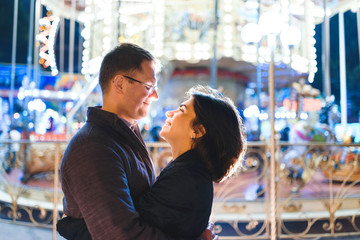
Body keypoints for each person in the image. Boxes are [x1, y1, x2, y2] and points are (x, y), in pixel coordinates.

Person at [57, 43, 216, 240]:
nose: (155, 95)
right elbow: (119, 234)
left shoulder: (122, 136)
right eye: (149, 87)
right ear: (120, 84)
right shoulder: (93, 147)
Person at [136, 85, 247, 238]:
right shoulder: (189, 170)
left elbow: (134, 226)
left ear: (198, 131)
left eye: (181, 110)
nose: (169, 113)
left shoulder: (184, 177)